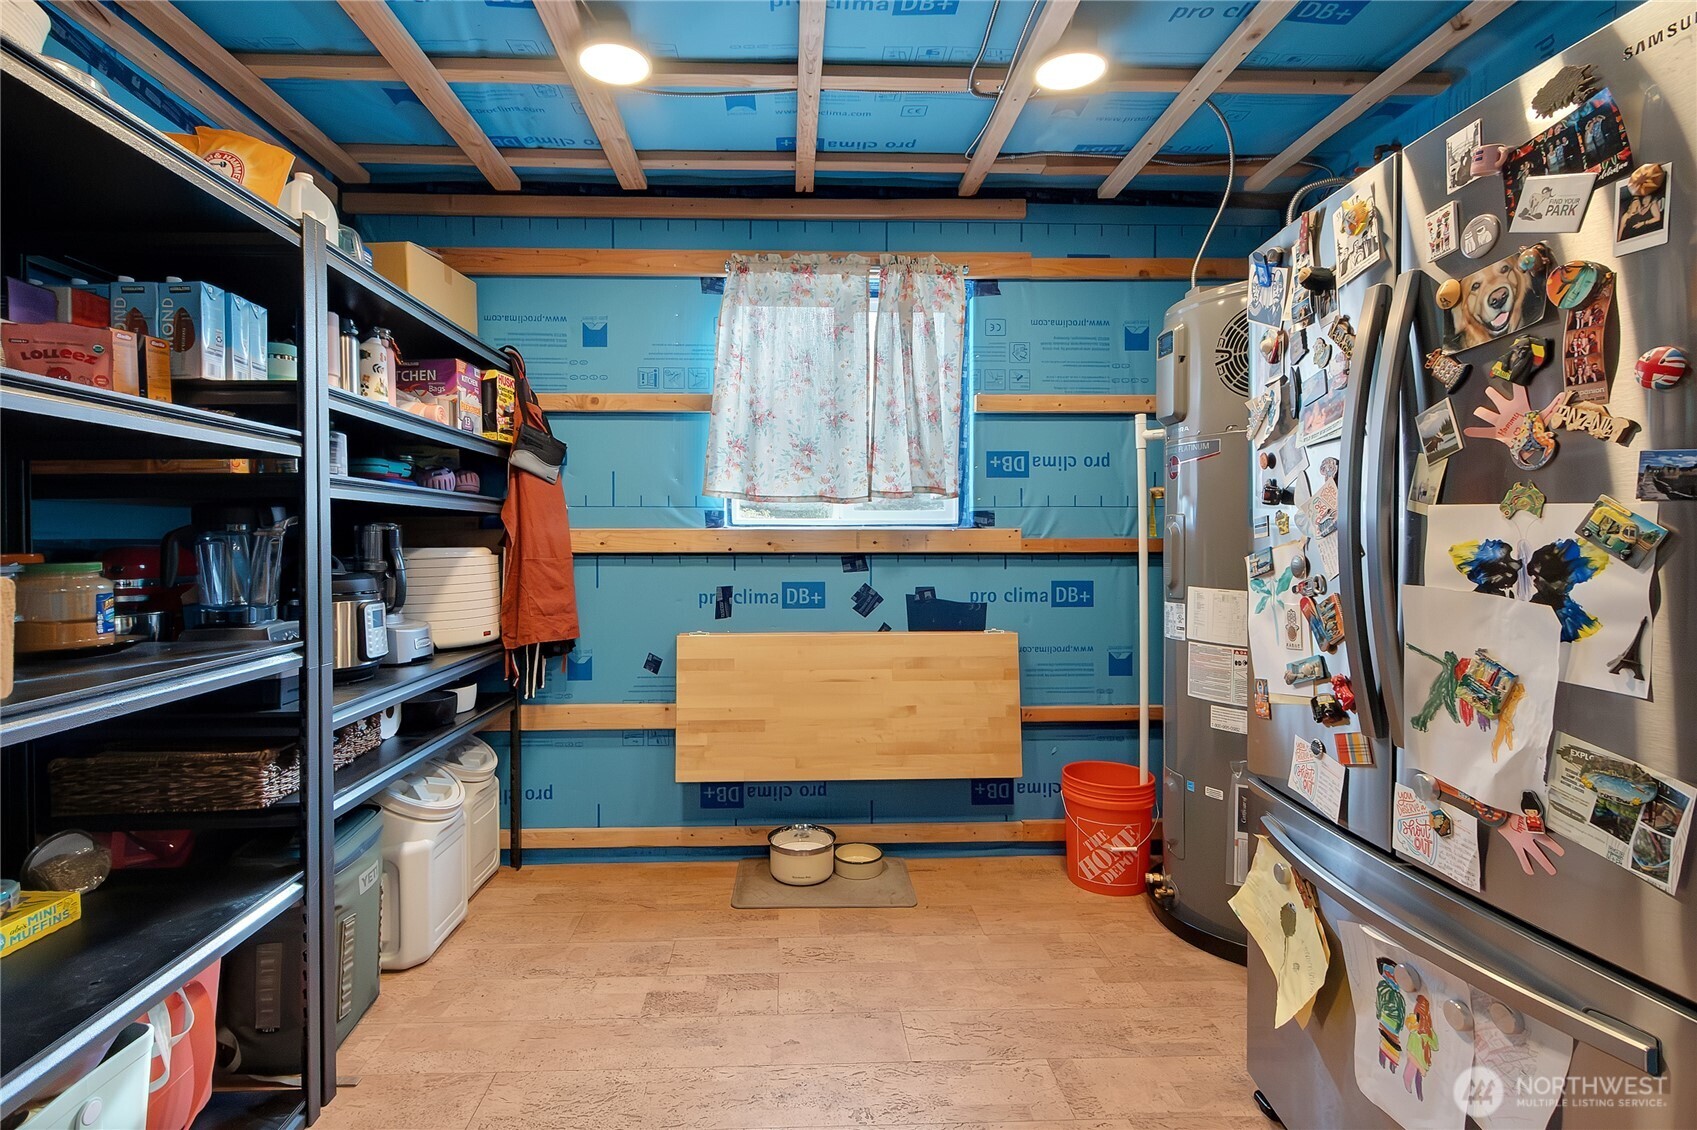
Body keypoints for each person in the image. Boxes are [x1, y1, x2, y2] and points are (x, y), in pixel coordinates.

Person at [1403, 994, 1439, 1100]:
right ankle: (1413, 1097)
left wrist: (1426, 1036)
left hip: (1422, 1061)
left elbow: (1435, 1046)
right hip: (1413, 1058)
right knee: (1407, 1077)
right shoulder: (1413, 1028)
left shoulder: (1428, 1031)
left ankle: (1419, 1097)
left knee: (1418, 1082)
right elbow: (1409, 1051)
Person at [1375, 958, 1406, 1072]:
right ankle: (1382, 1066)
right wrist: (1379, 1015)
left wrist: (1400, 1025)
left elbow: (1401, 1011)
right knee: (1384, 1043)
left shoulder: (1398, 995)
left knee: (1393, 1049)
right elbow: (1379, 1002)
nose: (1392, 977)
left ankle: (1392, 1067)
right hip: (1385, 1020)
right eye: (1387, 973)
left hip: (1394, 1026)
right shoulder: (1383, 987)